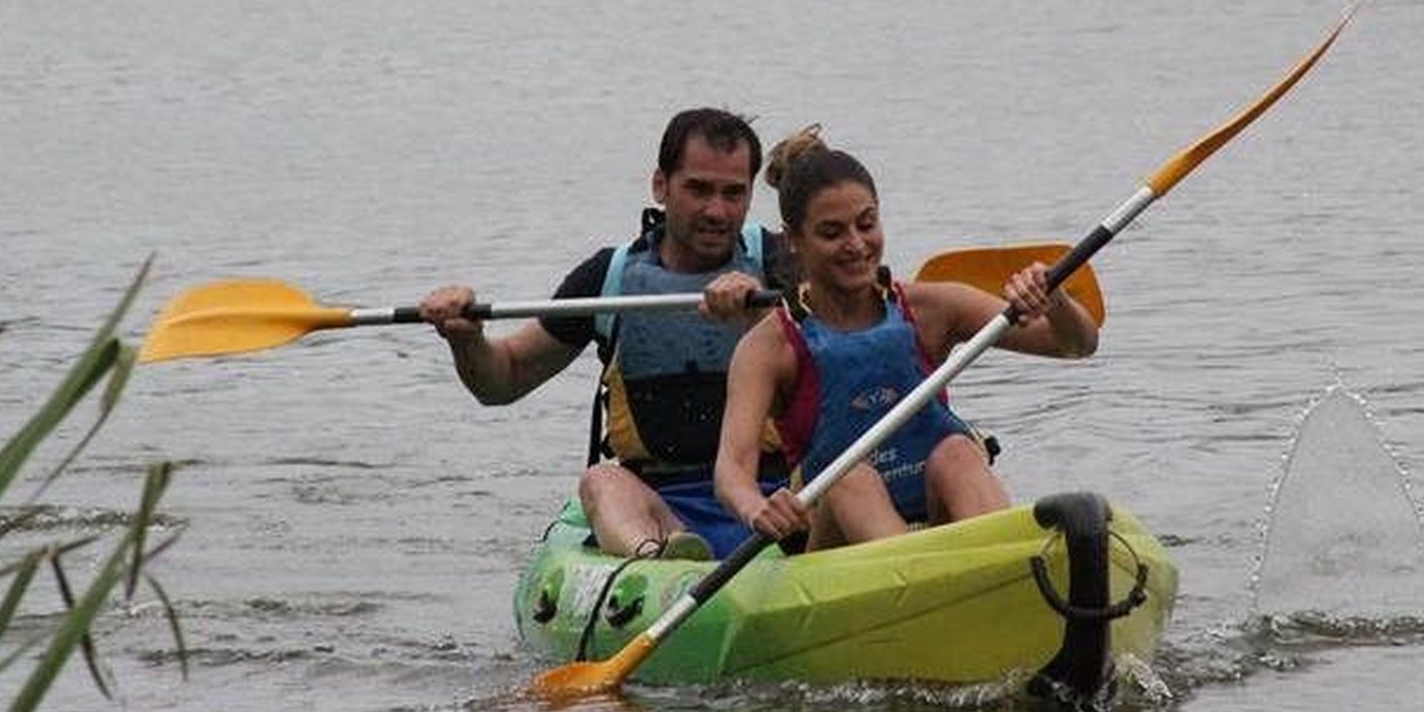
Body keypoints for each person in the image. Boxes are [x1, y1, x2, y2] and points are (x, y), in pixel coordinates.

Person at [419, 108, 790, 561]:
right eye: (698, 189)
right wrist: (466, 338)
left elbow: (840, 362)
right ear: (661, 185)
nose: (716, 210)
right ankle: (657, 561)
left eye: (733, 193)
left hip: (776, 499)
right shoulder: (610, 277)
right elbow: (505, 379)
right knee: (601, 480)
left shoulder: (783, 266)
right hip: (659, 508)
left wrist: (763, 316)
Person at [715, 126, 1099, 552]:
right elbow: (731, 470)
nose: (856, 245)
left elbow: (1076, 345)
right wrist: (755, 507)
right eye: (832, 233)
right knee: (850, 477)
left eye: (866, 224)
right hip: (833, 547)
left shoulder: (932, 308)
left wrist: (1056, 301)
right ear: (793, 241)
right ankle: (928, 574)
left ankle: (1007, 561)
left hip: (935, 514)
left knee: (958, 451)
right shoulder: (770, 346)